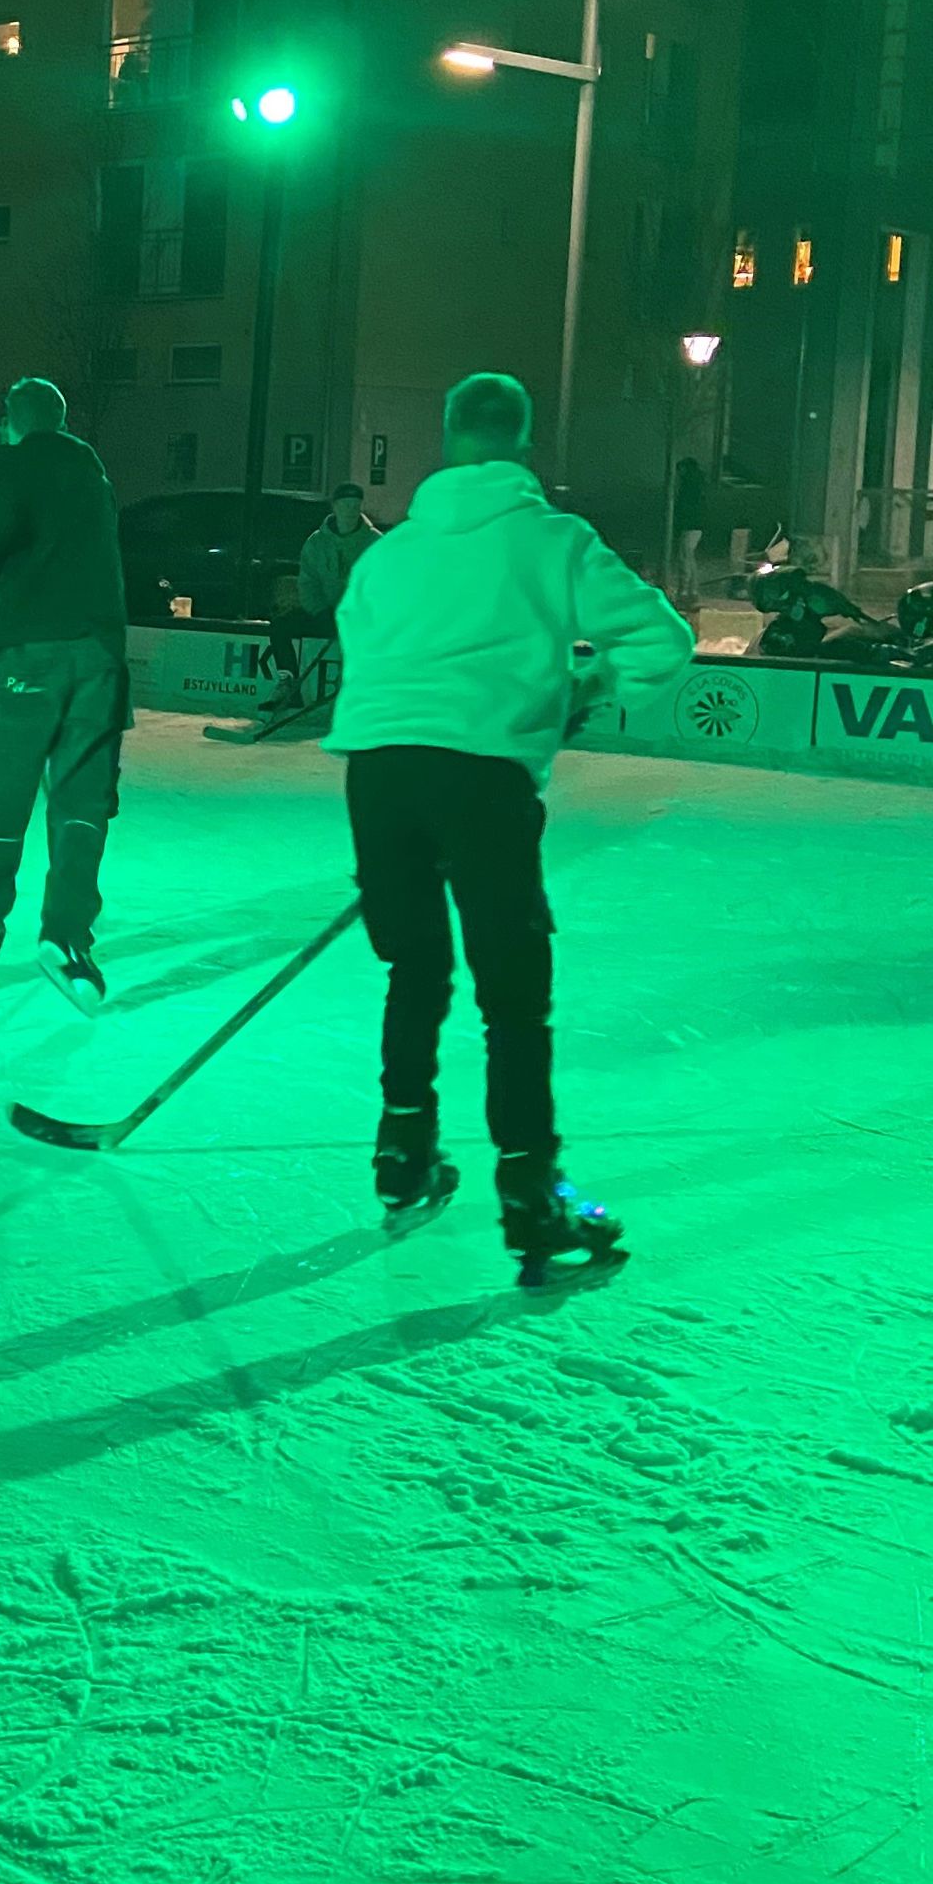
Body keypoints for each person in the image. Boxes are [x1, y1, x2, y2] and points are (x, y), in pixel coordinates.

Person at [330, 368, 694, 1281]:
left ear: (448, 442)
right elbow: (661, 640)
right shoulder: (554, 540)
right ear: (524, 441)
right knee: (513, 995)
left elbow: (365, 654)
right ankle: (532, 1194)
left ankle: (403, 1154)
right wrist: (588, 685)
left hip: (379, 773)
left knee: (413, 968)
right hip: (483, 778)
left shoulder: (390, 553)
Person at [0, 377, 127, 1008]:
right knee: (82, 802)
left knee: (3, 795)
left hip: (30, 653)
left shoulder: (4, 465)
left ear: (14, 423)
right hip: (99, 656)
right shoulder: (93, 473)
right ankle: (67, 938)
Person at [259, 482, 381, 716]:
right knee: (282, 625)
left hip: (361, 617)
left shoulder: (375, 543)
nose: (351, 510)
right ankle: (288, 685)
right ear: (335, 507)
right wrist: (320, 610)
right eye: (346, 505)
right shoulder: (317, 542)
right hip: (324, 612)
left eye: (356, 505)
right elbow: (308, 582)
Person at [670, 452, 707, 608]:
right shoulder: (697, 484)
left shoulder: (688, 486)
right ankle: (692, 589)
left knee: (685, 556)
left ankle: (684, 590)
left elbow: (683, 507)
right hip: (696, 524)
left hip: (690, 524)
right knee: (689, 557)